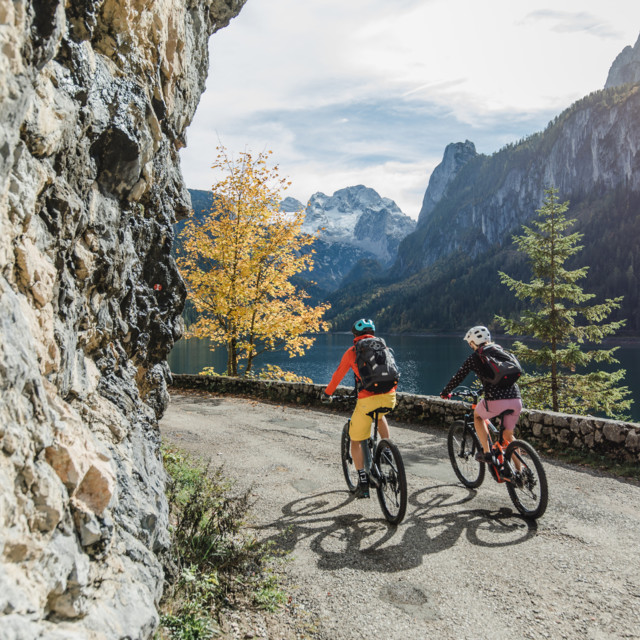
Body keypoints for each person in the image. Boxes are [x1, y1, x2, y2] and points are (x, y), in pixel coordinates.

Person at [323, 319, 397, 498]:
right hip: (390, 398)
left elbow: (338, 375)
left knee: (355, 439)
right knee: (380, 417)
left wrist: (327, 394)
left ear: (355, 335)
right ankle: (386, 448)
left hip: (366, 401)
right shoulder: (384, 348)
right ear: (373, 332)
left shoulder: (352, 351)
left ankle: (362, 480)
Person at [440, 325, 522, 462]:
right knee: (509, 437)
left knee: (477, 416)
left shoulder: (475, 357)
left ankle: (486, 452)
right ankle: (520, 474)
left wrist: (445, 392)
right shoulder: (500, 350)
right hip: (516, 399)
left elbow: (458, 377)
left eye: (469, 343)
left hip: (495, 400)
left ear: (473, 343)